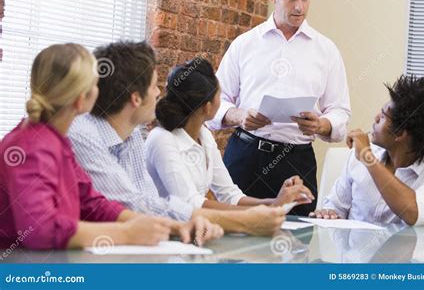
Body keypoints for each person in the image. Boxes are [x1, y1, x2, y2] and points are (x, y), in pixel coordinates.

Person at [0, 43, 221, 250]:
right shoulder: (31, 147)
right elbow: (41, 229)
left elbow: (94, 203)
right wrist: (126, 233)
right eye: (96, 83)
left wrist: (170, 226)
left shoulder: (57, 141)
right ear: (81, 99)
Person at [68, 41, 286, 236]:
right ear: (135, 98)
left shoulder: (132, 136)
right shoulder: (84, 136)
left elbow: (151, 203)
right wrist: (243, 221)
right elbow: (133, 206)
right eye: (154, 86)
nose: (158, 94)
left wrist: (191, 223)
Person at [207, 0, 351, 216]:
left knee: (295, 246)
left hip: (297, 163)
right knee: (230, 243)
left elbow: (340, 111)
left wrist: (322, 125)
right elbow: (215, 102)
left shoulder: (326, 51)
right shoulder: (245, 44)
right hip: (245, 156)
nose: (300, 7)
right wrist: (240, 116)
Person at [145, 58, 314, 211]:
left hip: (192, 231)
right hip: (162, 236)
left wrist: (278, 201)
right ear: (207, 107)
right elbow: (191, 205)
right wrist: (269, 211)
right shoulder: (162, 139)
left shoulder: (204, 135)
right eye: (220, 94)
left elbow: (230, 195)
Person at [310, 75, 424, 226]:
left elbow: (414, 213)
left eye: (383, 116)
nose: (375, 118)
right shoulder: (359, 157)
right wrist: (328, 214)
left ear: (400, 134)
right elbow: (335, 208)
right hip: (351, 250)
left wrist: (368, 158)